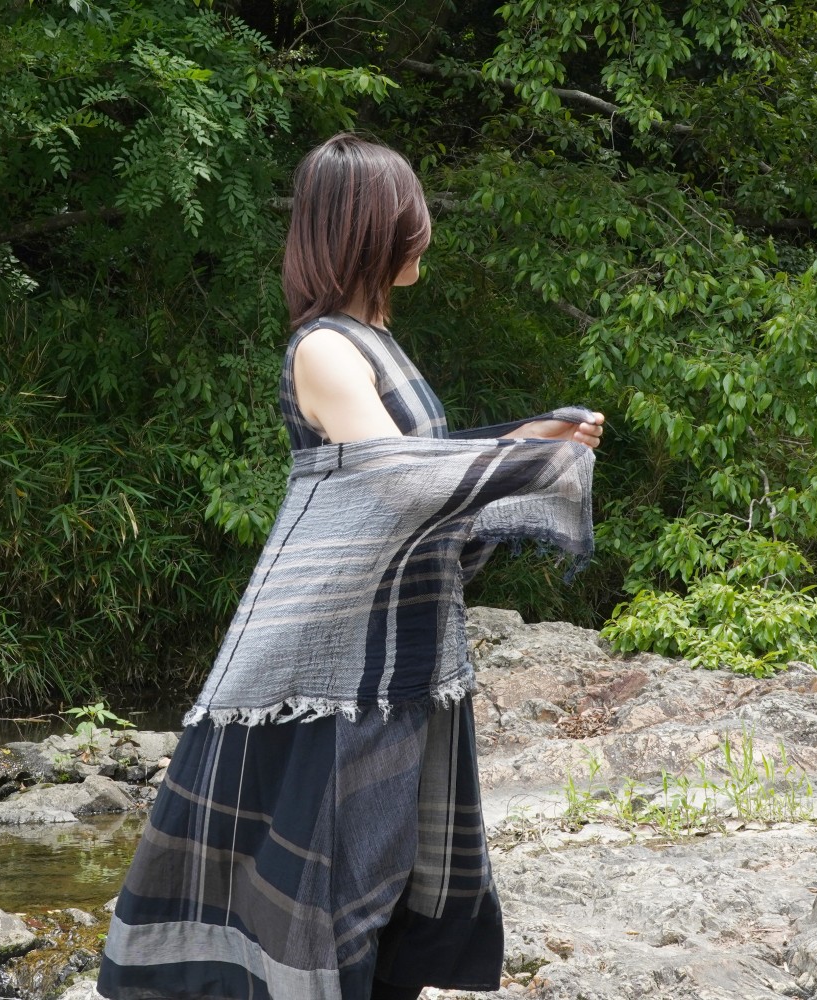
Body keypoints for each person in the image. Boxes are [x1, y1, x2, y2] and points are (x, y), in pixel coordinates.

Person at [97, 133, 604, 1000]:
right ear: (370, 230)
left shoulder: (375, 342)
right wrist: (528, 455)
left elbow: (421, 485)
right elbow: (396, 483)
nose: (426, 230)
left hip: (402, 658)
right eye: (413, 216)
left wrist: (528, 441)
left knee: (392, 878)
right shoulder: (326, 349)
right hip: (336, 668)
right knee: (334, 892)